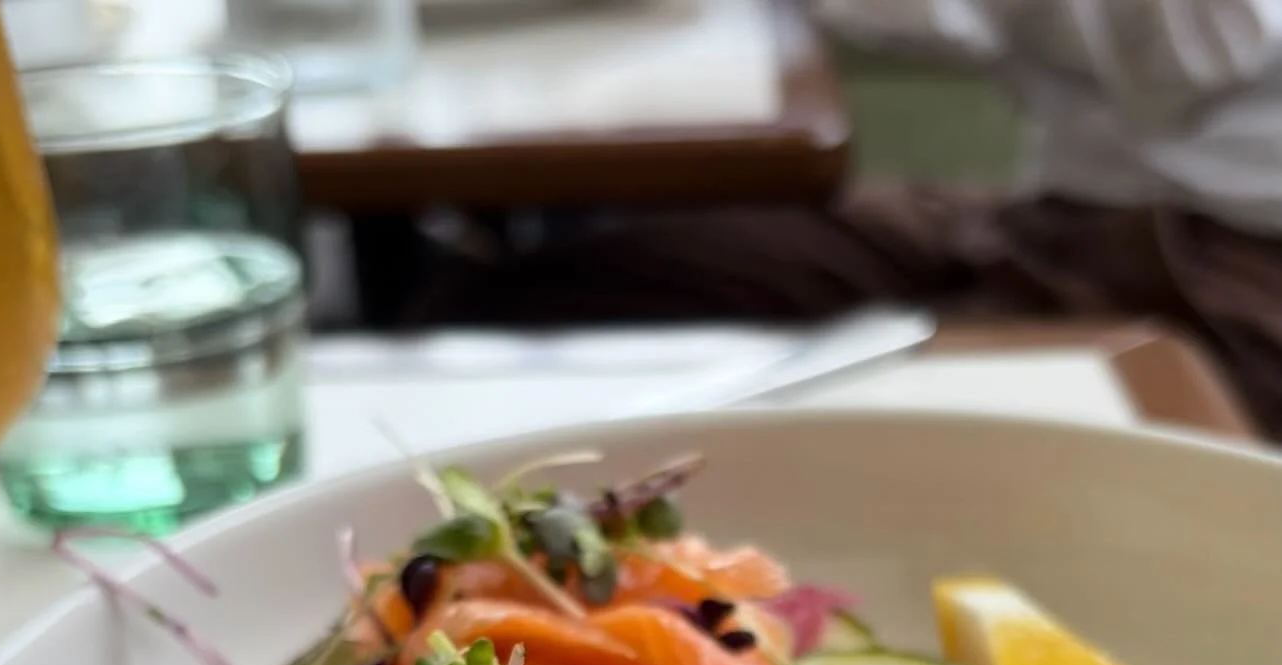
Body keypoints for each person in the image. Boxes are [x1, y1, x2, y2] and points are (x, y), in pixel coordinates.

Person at [414, 0, 1282, 437]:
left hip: (1234, 255)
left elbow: (1213, 39)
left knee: (818, 431)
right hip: (1056, 211)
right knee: (530, 302)